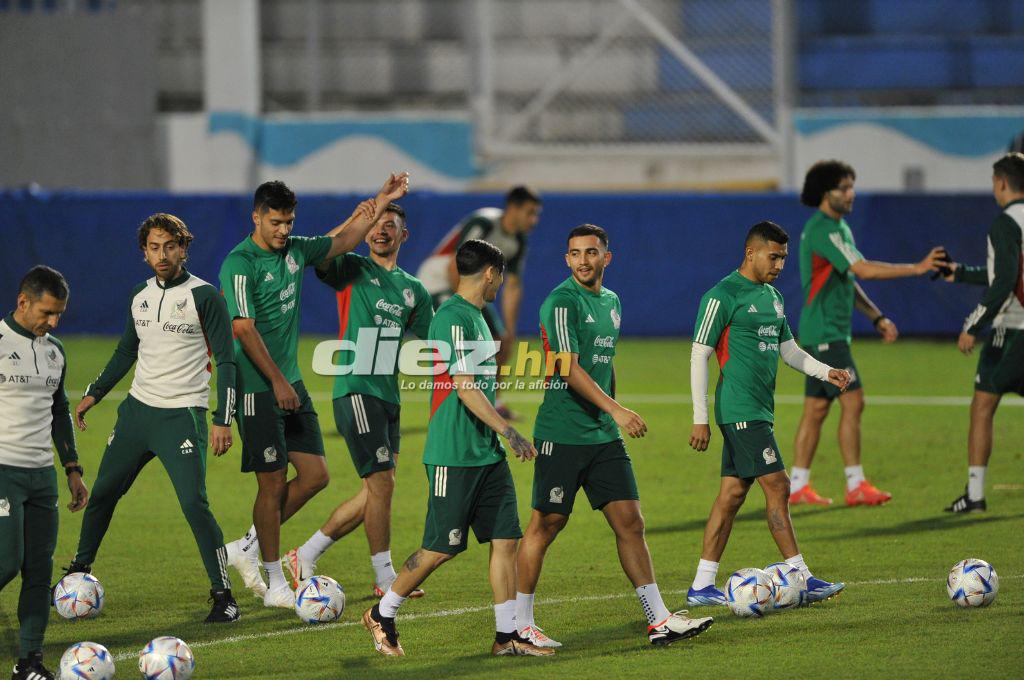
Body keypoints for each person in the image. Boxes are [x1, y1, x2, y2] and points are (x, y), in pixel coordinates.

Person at [514, 224, 713, 648]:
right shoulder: (561, 302)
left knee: (630, 522)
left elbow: (605, 364)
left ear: (608, 257)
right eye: (574, 253)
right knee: (546, 524)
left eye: (591, 252)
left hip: (602, 437)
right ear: (566, 259)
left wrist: (612, 410)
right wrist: (617, 410)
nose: (583, 260)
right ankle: (519, 623)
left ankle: (659, 619)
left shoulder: (612, 302)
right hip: (562, 433)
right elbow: (566, 367)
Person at [219, 174, 410, 608]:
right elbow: (243, 329)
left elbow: (344, 239)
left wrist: (383, 198)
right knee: (270, 487)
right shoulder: (240, 263)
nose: (283, 229)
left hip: (291, 384)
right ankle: (274, 583)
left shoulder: (295, 250)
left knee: (316, 476)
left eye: (288, 221)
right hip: (259, 388)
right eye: (275, 222)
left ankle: (245, 546)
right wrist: (278, 381)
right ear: (256, 217)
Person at [362, 240, 549, 658]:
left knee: (505, 540)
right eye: (500, 276)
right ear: (490, 273)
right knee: (440, 547)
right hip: (454, 454)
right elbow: (465, 389)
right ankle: (382, 612)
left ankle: (507, 636)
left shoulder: (478, 319)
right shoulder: (451, 318)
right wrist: (509, 431)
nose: (500, 282)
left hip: (485, 455)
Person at [60, 214, 240, 623]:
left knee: (194, 504)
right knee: (103, 493)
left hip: (182, 417)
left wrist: (223, 418)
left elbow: (227, 360)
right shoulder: (139, 296)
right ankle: (78, 571)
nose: (163, 254)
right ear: (144, 253)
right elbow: (127, 350)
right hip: (137, 414)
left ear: (183, 248)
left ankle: (223, 595)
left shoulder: (205, 296)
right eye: (154, 247)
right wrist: (94, 393)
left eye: (170, 246)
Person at [686, 221, 850, 607]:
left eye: (783, 258)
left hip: (759, 409)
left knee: (731, 494)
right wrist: (700, 417)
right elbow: (699, 354)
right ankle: (801, 576)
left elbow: (789, 350)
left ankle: (702, 584)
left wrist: (826, 371)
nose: (779, 264)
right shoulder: (722, 295)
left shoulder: (773, 297)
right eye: (773, 256)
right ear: (750, 253)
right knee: (777, 484)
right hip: (740, 409)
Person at [283, 203, 434, 598]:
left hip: (389, 397)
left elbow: (435, 343)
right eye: (376, 226)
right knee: (381, 485)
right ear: (366, 234)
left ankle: (305, 553)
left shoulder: (413, 290)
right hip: (355, 389)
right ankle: (386, 580)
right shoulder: (350, 268)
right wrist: (360, 217)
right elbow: (325, 250)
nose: (381, 231)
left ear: (405, 235)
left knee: (377, 490)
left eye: (391, 226)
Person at [790, 160, 945, 506]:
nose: (851, 193)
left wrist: (876, 317)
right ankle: (855, 483)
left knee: (816, 409)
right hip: (826, 333)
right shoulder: (824, 230)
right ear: (825, 193)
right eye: (843, 187)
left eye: (851, 186)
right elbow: (862, 270)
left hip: (822, 332)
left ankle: (798, 485)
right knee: (853, 401)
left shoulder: (836, 229)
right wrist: (917, 268)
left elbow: (848, 280)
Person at [0, 266, 88, 680]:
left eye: (59, 315)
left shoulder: (55, 351)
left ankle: (29, 662)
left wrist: (72, 468)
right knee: (6, 563)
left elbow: (58, 411)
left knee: (38, 569)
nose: (52, 323)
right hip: (2, 471)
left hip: (41, 476)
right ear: (23, 302)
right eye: (47, 313)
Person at [941, 152, 1024, 513]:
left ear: (1002, 182)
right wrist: (960, 272)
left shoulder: (1005, 222)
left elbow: (1006, 281)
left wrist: (972, 324)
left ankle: (974, 493)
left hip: (1013, 331)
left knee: (983, 405)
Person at [416, 186, 542, 418]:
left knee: (501, 341)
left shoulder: (519, 242)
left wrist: (511, 330)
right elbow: (456, 263)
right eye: (530, 212)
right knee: (458, 345)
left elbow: (512, 286)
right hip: (438, 280)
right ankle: (454, 406)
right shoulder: (484, 222)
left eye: (536, 214)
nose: (534, 220)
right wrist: (464, 308)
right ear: (513, 208)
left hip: (471, 289)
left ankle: (494, 401)